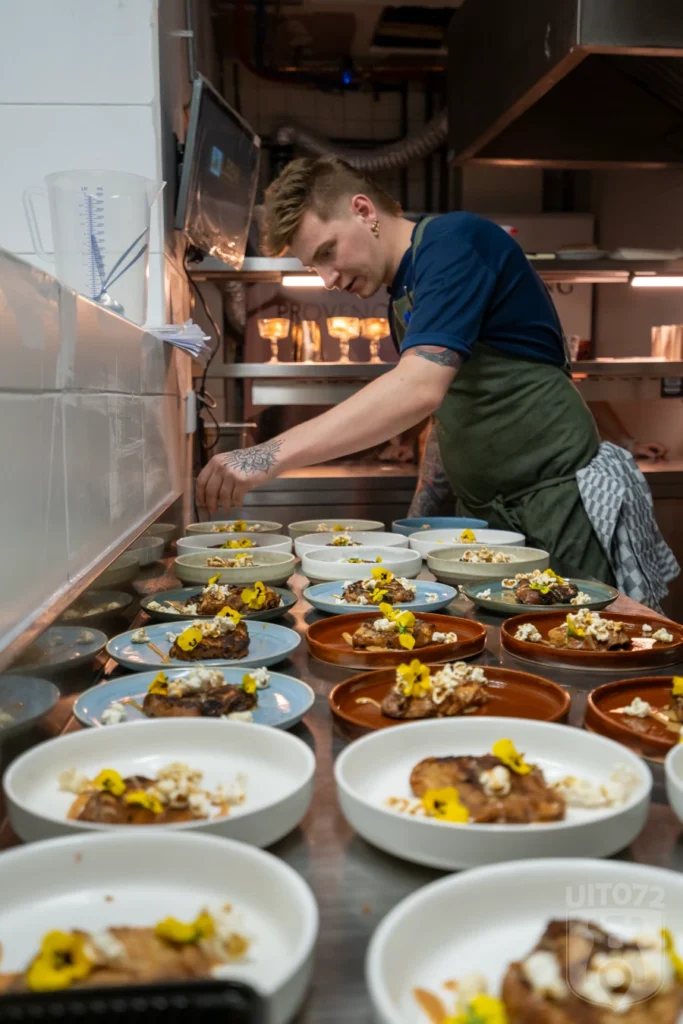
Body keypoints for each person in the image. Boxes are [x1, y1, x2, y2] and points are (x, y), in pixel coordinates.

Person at [196, 156, 673, 592]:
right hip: (489, 520)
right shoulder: (405, 293)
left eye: (327, 252)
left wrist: (263, 458)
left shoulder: (454, 243)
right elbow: (447, 410)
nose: (327, 279)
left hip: (556, 508)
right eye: (313, 265)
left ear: (363, 211)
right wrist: (418, 522)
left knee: (577, 659)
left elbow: (420, 389)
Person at [409, 407, 669, 518]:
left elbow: (582, 393)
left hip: (553, 496)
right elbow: (436, 418)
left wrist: (628, 442)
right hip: (479, 502)